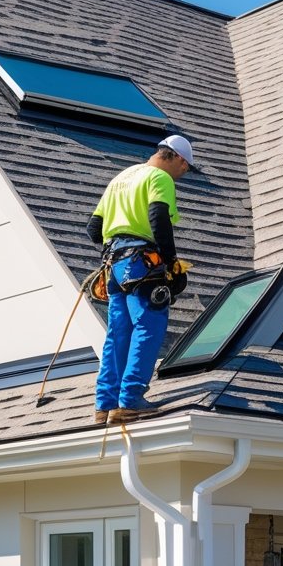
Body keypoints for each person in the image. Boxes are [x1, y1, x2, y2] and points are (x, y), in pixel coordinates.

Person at [86, 134, 193, 424]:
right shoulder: (160, 178)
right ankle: (131, 399)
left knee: (117, 332)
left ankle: (105, 406)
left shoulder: (120, 178)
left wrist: (120, 244)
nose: (183, 175)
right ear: (178, 158)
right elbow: (158, 217)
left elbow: (94, 229)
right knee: (149, 324)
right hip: (139, 263)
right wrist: (171, 263)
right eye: (185, 168)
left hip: (114, 265)